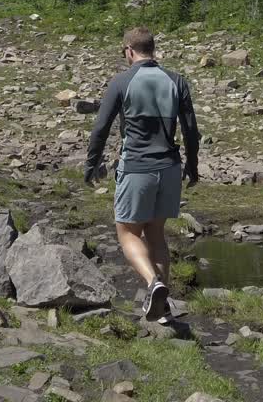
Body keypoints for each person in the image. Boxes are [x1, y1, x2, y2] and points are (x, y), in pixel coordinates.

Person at [85, 27, 200, 321]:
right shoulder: (176, 81)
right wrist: (193, 165)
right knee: (156, 234)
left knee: (127, 232)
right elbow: (190, 130)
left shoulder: (122, 81)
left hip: (137, 167)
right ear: (153, 49)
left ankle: (153, 283)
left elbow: (101, 128)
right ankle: (162, 308)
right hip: (170, 168)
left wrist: (91, 164)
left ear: (129, 51)